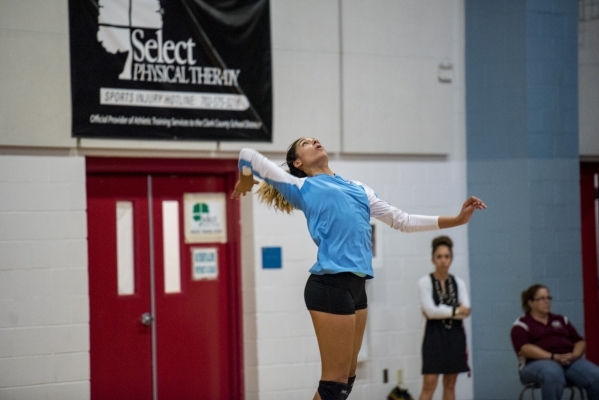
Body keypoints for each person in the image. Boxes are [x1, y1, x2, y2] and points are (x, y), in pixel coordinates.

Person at [231, 138, 486, 400]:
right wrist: (246, 179)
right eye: (306, 143)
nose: (315, 141)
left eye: (315, 138)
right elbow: (247, 153)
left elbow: (404, 221)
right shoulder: (301, 186)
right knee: (333, 384)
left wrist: (456, 220)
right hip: (329, 286)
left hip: (356, 288)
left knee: (345, 382)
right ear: (298, 162)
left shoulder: (359, 188)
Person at [510, 284, 599, 400]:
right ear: (530, 303)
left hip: (568, 361)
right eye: (541, 298)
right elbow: (525, 349)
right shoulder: (522, 324)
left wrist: (574, 355)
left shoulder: (561, 320)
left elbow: (579, 342)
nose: (546, 301)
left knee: (595, 374)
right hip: (535, 364)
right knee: (553, 373)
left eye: (548, 298)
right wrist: (553, 357)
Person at [417, 236, 470, 400]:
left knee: (450, 383)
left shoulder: (458, 282)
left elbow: (467, 310)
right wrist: (455, 311)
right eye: (439, 257)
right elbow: (430, 311)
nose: (443, 261)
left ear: (451, 259)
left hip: (455, 336)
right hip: (434, 336)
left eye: (447, 256)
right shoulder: (424, 282)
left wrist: (440, 311)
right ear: (433, 258)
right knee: (430, 382)